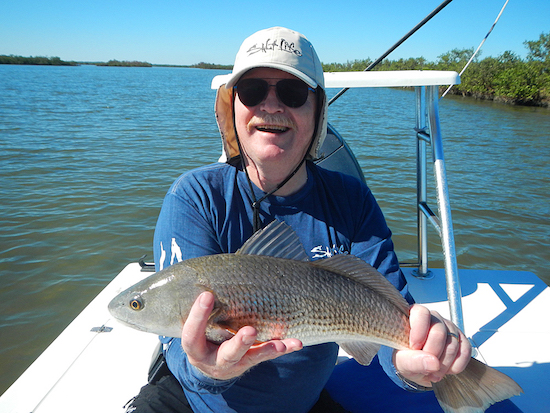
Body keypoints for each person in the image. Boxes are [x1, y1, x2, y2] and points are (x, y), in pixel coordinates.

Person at [126, 27, 472, 413]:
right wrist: (206, 368)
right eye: (253, 90)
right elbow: (178, 350)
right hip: (192, 403)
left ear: (318, 110)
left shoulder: (351, 199)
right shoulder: (195, 196)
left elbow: (393, 314)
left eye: (292, 93)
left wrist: (412, 366)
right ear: (232, 106)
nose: (271, 106)